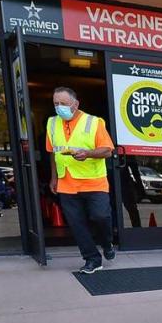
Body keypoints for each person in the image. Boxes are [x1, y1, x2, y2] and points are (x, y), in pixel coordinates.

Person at [45, 87, 115, 274]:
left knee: (101, 217)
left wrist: (88, 153)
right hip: (67, 183)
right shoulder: (52, 123)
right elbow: (53, 152)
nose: (59, 108)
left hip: (94, 181)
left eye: (63, 104)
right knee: (77, 225)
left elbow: (108, 150)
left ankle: (107, 243)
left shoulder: (94, 122)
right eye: (56, 104)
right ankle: (92, 259)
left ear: (75, 104)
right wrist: (54, 178)